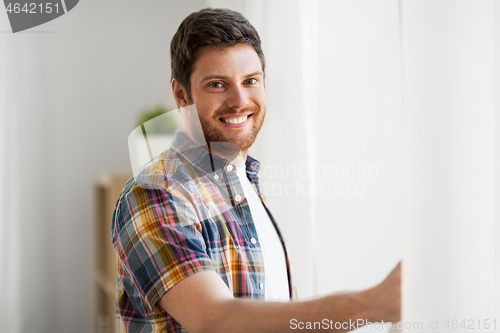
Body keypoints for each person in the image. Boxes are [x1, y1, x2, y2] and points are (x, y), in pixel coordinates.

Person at [112, 7, 401, 333]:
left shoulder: (244, 180)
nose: (239, 100)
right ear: (182, 95)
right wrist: (372, 304)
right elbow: (216, 321)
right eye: (218, 84)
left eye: (251, 81)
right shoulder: (157, 192)